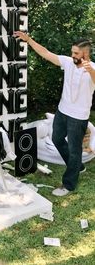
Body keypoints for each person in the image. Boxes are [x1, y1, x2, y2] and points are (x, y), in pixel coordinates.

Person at [14, 31, 95, 196]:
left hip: (78, 117)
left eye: (76, 53)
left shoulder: (93, 68)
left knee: (74, 150)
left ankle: (68, 184)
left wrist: (90, 72)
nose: (72, 55)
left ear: (85, 54)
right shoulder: (68, 62)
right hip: (62, 111)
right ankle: (77, 165)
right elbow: (46, 53)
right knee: (57, 139)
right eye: (72, 51)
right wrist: (29, 40)